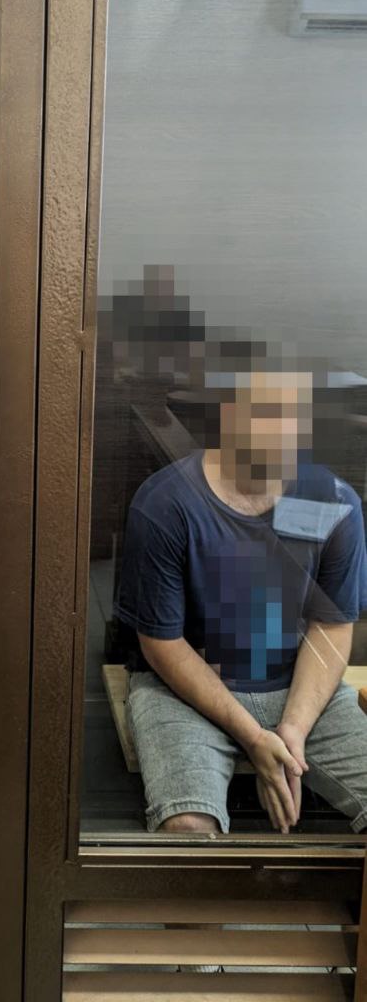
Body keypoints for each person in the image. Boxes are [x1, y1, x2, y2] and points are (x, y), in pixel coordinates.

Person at [114, 352, 367, 838]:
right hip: (184, 688)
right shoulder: (165, 503)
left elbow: (333, 625)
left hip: (296, 681)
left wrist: (293, 729)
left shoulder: (333, 501)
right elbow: (162, 644)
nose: (285, 433)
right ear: (230, 417)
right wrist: (253, 737)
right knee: (189, 825)